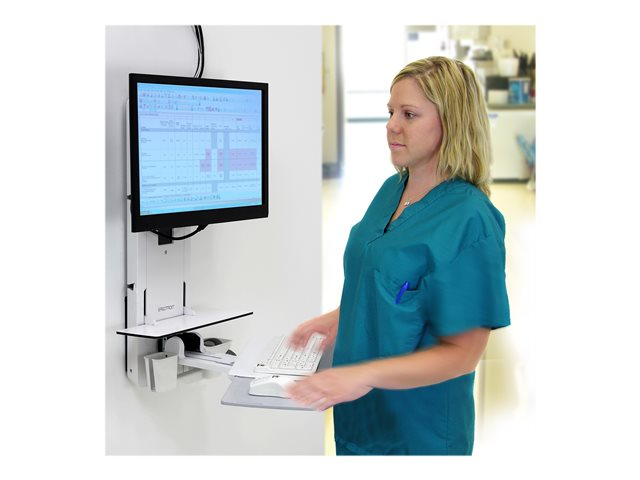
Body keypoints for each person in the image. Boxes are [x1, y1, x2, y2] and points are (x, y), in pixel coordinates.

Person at [287, 56, 511, 455]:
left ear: (452, 122)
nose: (392, 125)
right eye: (391, 112)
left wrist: (364, 375)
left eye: (409, 114)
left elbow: (463, 353)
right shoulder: (393, 190)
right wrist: (337, 318)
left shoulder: (469, 219)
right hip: (361, 420)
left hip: (419, 434)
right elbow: (390, 286)